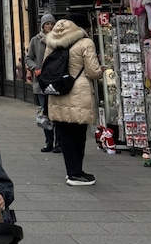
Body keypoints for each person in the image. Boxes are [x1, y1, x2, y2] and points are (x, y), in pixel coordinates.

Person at [43, 16, 104, 186]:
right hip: (78, 92)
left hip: (57, 91)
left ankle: (71, 171)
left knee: (65, 135)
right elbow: (92, 71)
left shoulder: (52, 43)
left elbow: (46, 66)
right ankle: (76, 173)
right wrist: (101, 71)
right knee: (78, 134)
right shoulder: (85, 43)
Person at [25, 13, 61, 153]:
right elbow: (29, 58)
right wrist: (36, 68)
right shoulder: (36, 40)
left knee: (57, 113)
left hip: (55, 81)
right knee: (45, 113)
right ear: (42, 25)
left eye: (52, 24)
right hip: (41, 81)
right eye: (47, 24)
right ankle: (48, 142)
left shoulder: (59, 40)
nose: (50, 26)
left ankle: (59, 142)